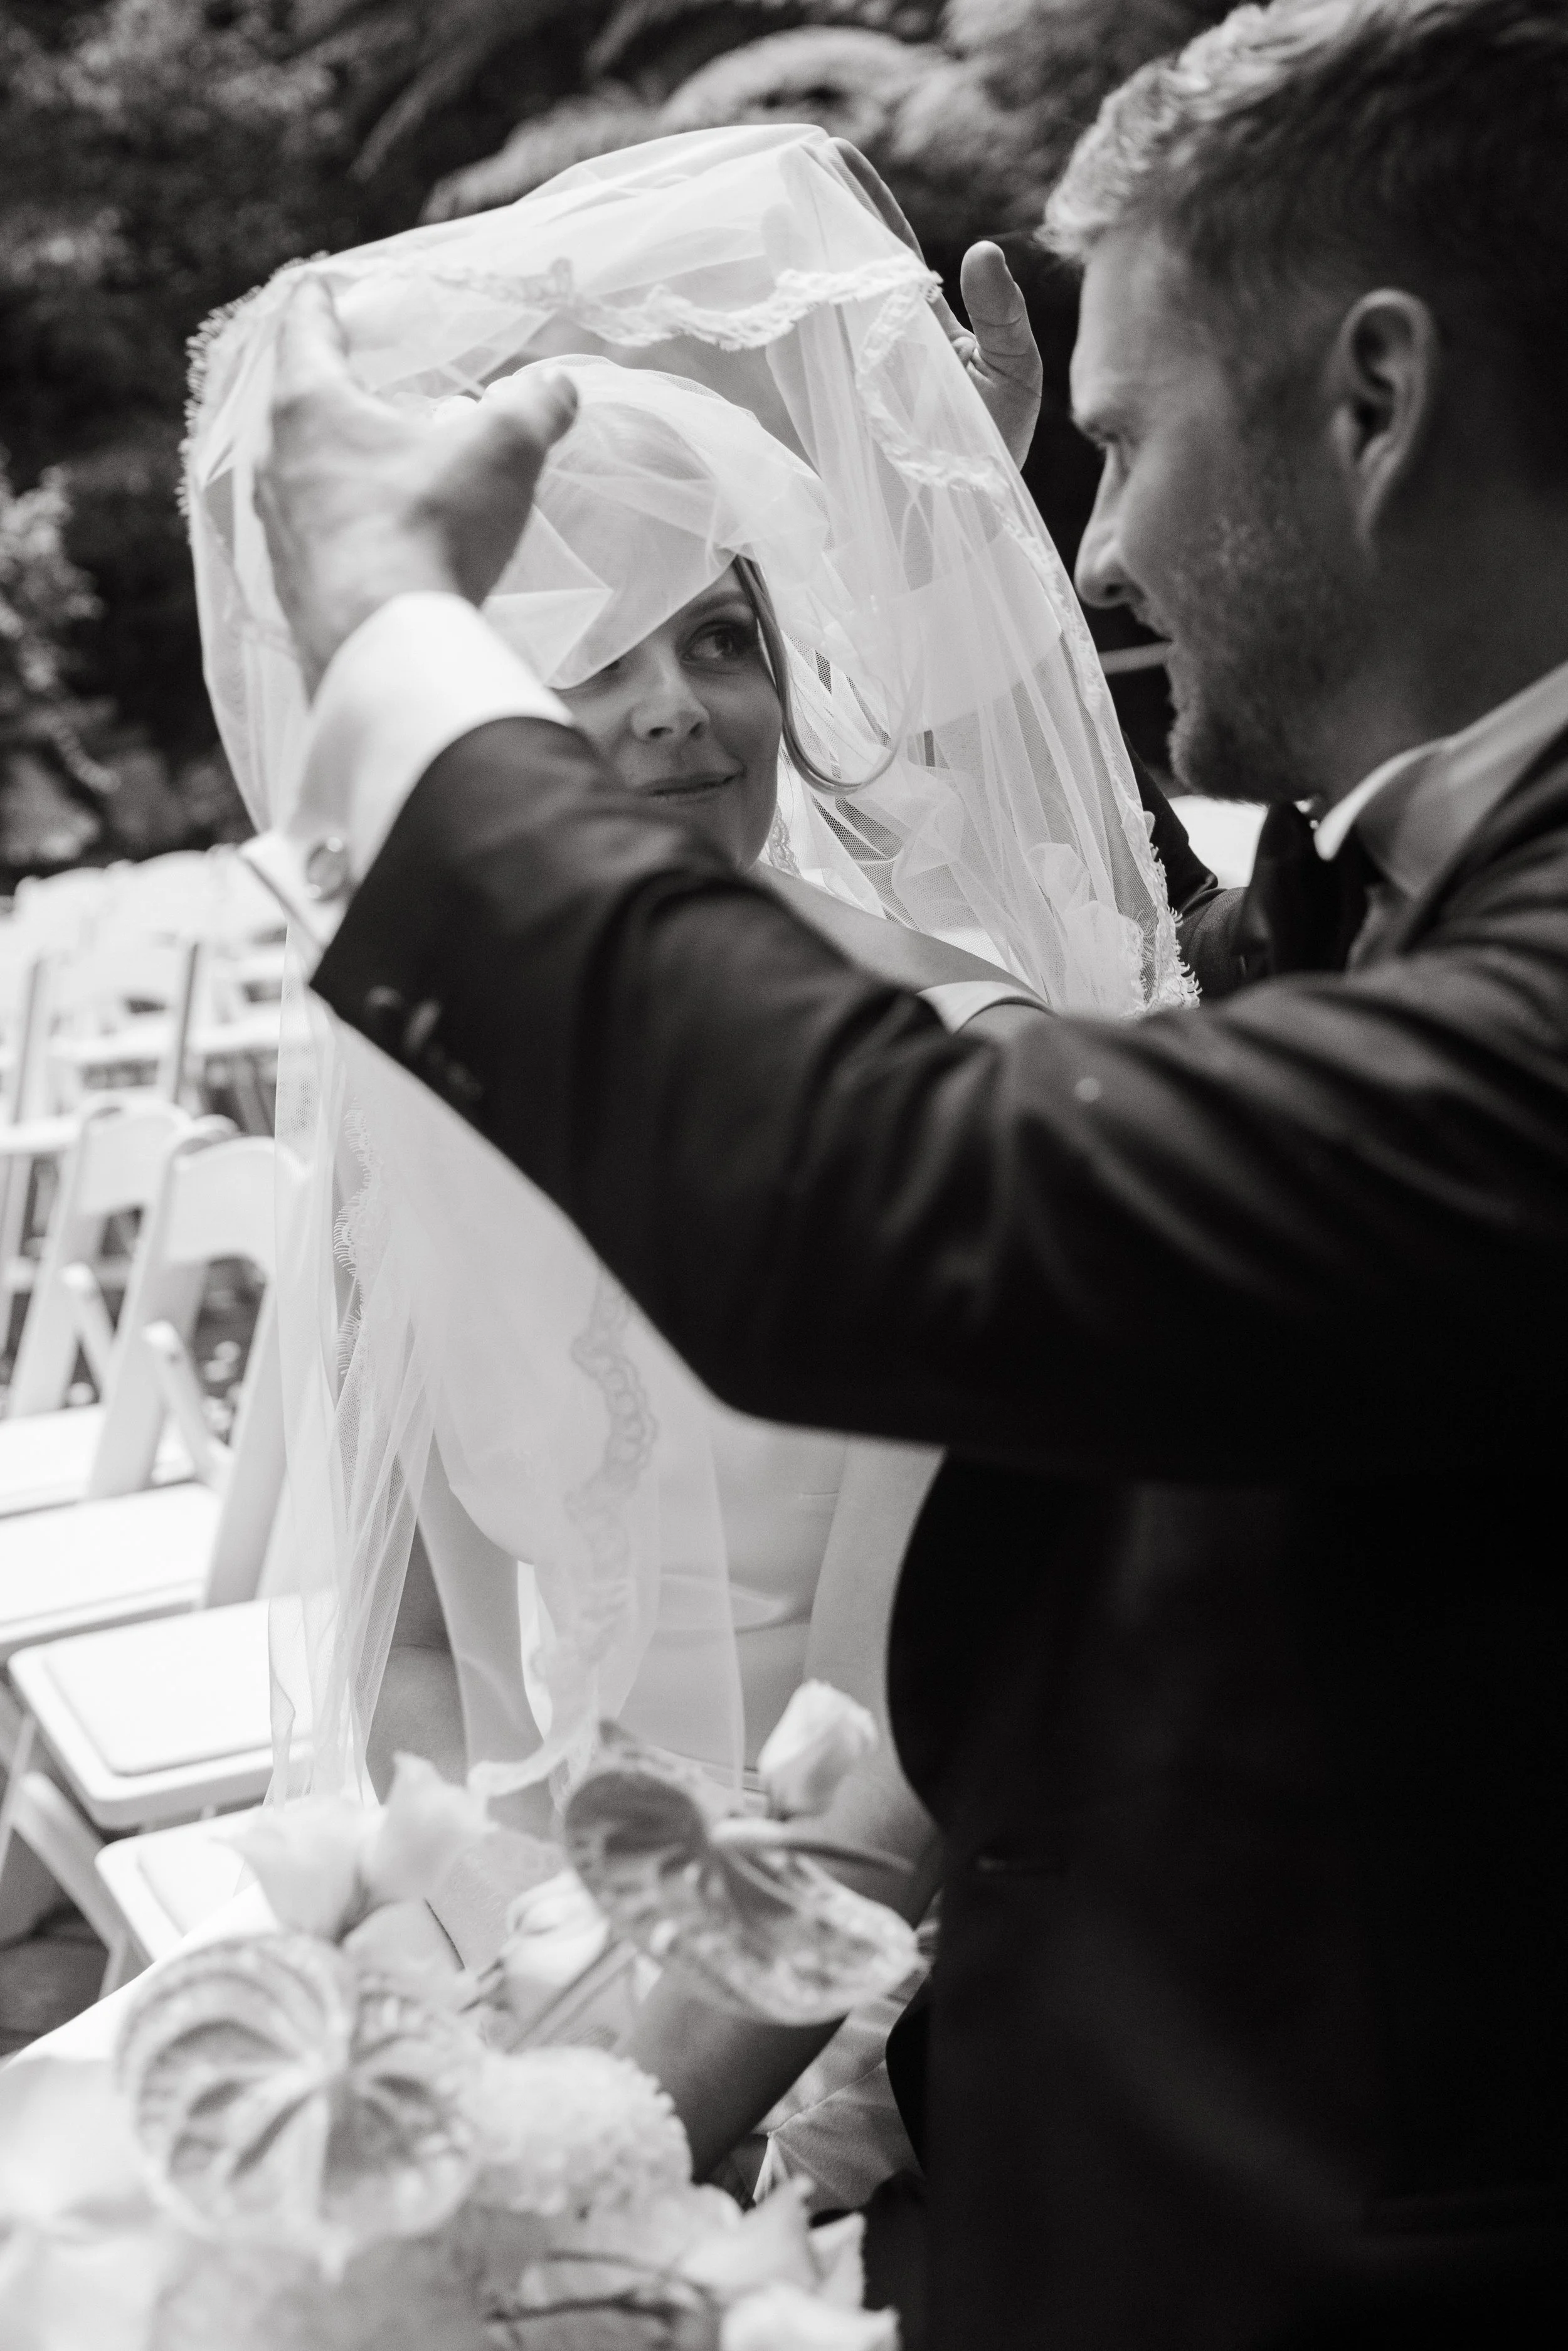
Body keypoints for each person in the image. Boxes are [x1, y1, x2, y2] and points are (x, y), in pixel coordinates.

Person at [255, 2, 1568, 2342]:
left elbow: (941, 1196)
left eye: (1131, 445)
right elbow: (1259, 1129)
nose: (1102, 543)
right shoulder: (1428, 865)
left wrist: (407, 676)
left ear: (1374, 405)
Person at [189, 127, 1189, 2214]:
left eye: (714, 642)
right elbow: (418, 1670)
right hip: (560, 1949)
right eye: (584, 665)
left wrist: (629, 2134)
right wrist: (451, 1964)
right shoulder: (414, 1118)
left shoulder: (951, 1074)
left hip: (862, 2018)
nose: (672, 717)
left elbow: (870, 1779)